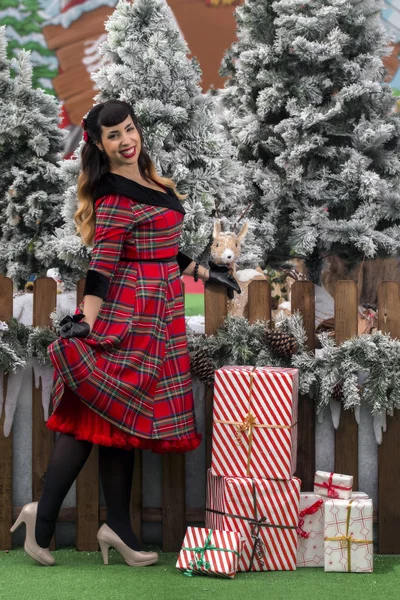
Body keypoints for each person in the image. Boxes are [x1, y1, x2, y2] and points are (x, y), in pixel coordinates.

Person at [10, 99, 240, 567]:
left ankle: (117, 525)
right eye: (113, 135)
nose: (125, 140)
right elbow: (103, 266)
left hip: (161, 314)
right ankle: (45, 516)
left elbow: (162, 251)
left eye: (129, 129)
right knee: (101, 416)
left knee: (124, 421)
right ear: (98, 143)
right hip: (129, 313)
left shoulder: (150, 182)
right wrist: (88, 324)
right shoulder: (113, 195)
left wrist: (204, 272)